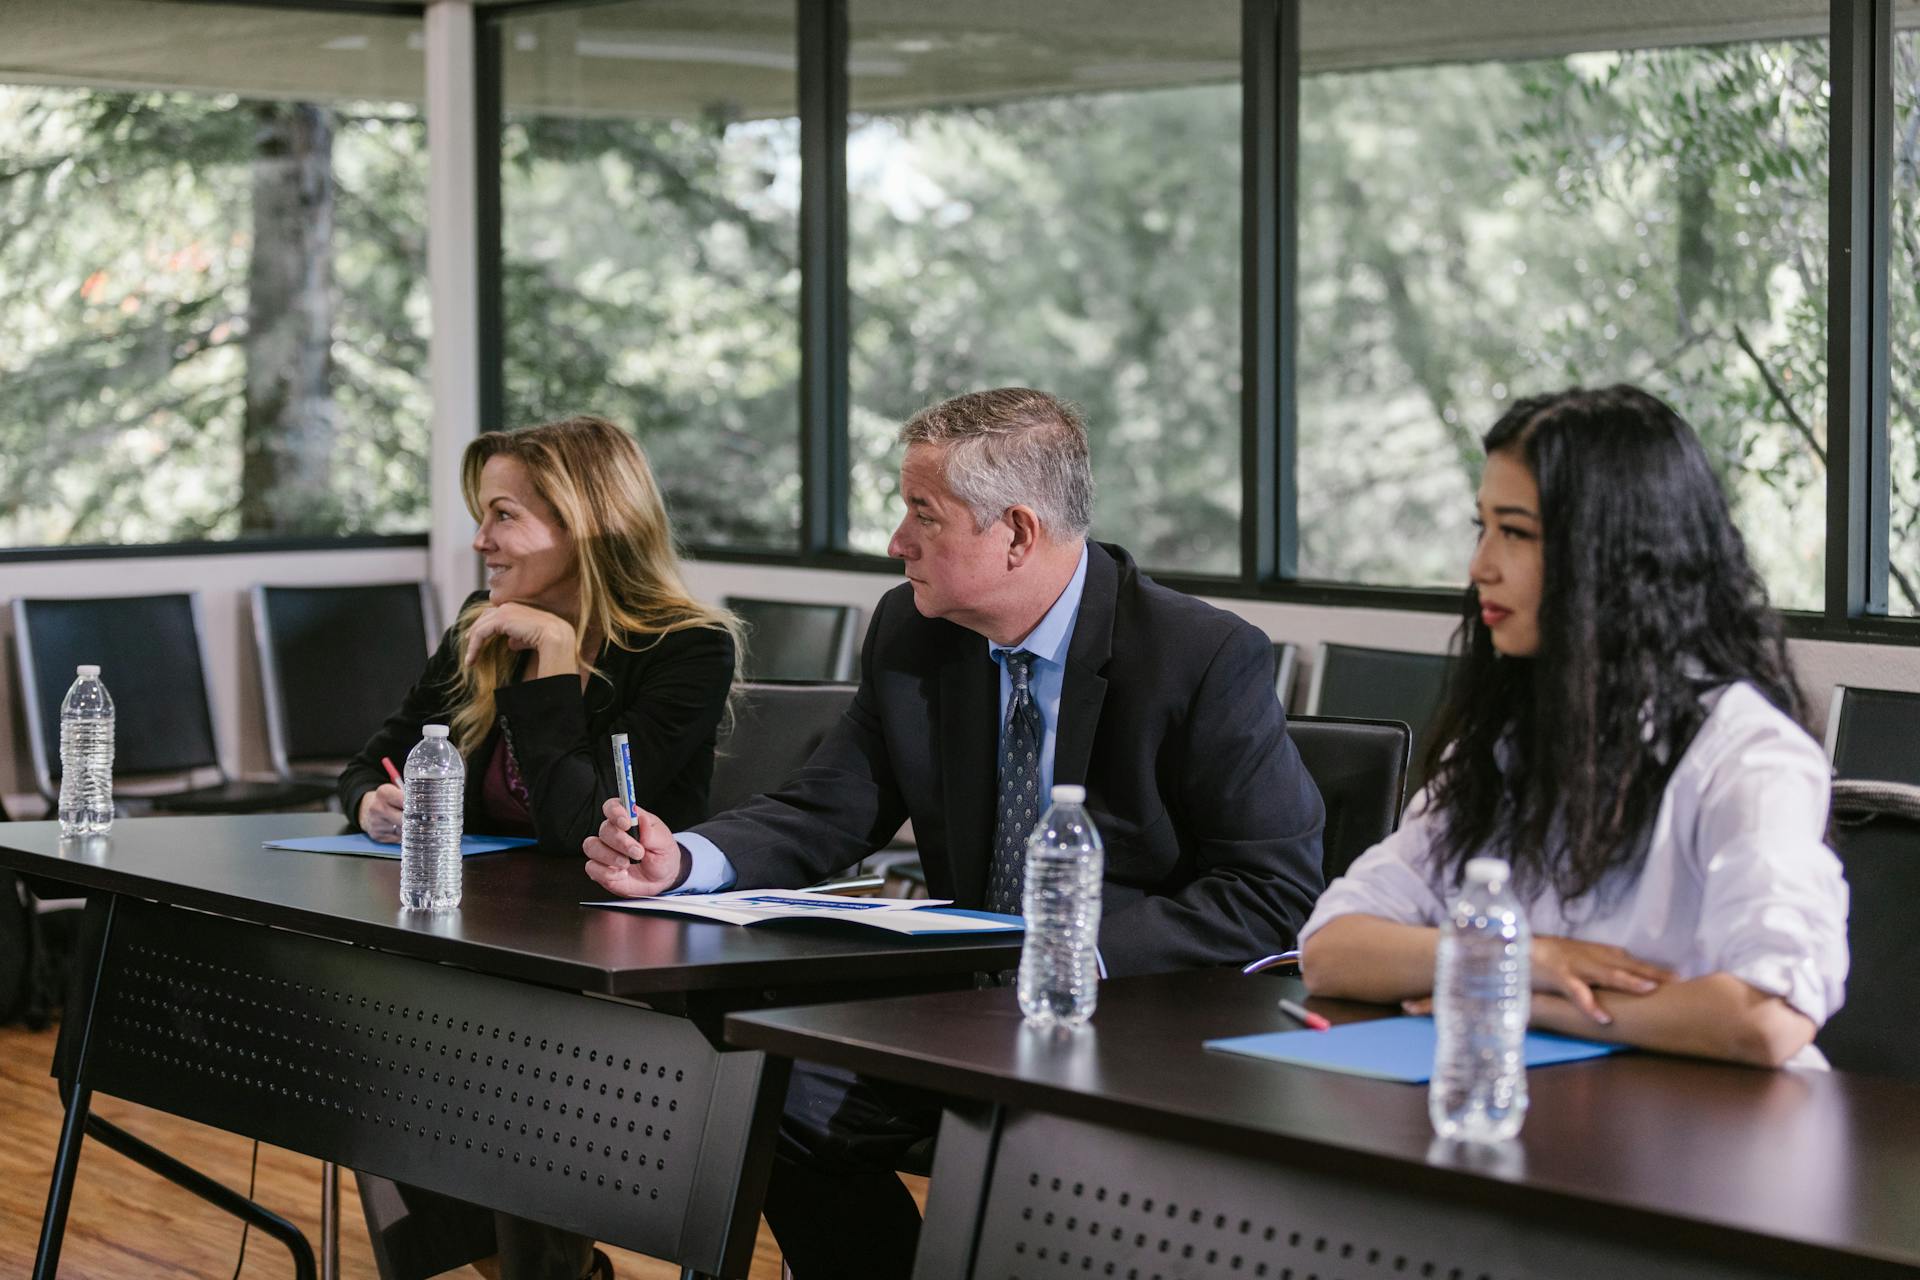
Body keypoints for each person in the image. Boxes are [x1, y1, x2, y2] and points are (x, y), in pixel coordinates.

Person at [583, 387, 1327, 1279]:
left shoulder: (1198, 656)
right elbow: (829, 805)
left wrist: (1064, 960)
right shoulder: (915, 631)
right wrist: (684, 859)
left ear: (1015, 532)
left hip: (1128, 1020)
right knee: (752, 1075)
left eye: (921, 515)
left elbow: (1272, 892)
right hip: (957, 1013)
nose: (896, 543)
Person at [1299, 384, 1848, 1069]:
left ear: (1617, 557)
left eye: (1517, 533)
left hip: (1727, 1148)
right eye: (1483, 528)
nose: (1480, 568)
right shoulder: (1504, 744)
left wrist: (1514, 998)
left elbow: (1769, 1018)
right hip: (1557, 1124)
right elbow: (1331, 950)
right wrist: (1526, 957)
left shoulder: (1748, 756)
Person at [339, 414, 739, 1280]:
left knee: (499, 1054)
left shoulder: (684, 648)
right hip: (488, 939)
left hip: (618, 961)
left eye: (504, 515)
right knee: (365, 1035)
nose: (480, 538)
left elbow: (577, 826)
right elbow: (371, 755)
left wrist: (554, 663)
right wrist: (370, 800)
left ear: (587, 521)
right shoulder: (482, 627)